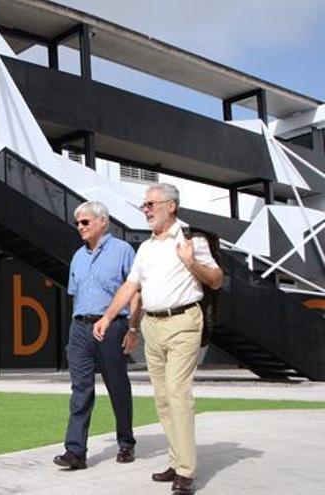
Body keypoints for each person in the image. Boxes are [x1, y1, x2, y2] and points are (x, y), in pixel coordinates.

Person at [93, 184, 222, 495]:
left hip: (183, 321)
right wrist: (108, 317)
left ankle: (187, 472)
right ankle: (176, 461)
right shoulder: (146, 248)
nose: (146, 209)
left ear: (171, 206)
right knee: (163, 399)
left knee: (178, 393)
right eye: (144, 205)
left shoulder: (192, 240)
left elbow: (216, 280)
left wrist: (190, 262)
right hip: (153, 325)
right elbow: (130, 286)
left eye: (151, 204)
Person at [53, 201, 141, 470]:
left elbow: (136, 291)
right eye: (77, 223)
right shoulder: (78, 256)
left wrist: (133, 328)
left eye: (85, 222)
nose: (79, 227)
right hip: (79, 328)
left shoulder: (123, 250)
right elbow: (75, 294)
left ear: (103, 221)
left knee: (117, 386)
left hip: (112, 327)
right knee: (80, 389)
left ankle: (126, 442)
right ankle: (75, 452)